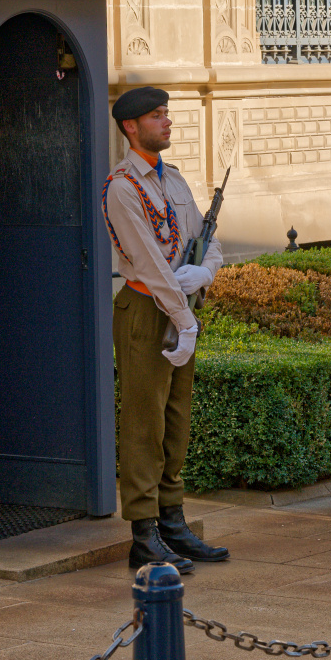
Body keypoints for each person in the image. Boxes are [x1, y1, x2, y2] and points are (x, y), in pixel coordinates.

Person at [102, 86, 230, 570]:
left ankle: (173, 523)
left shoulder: (173, 180)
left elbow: (206, 237)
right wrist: (184, 316)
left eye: (167, 114)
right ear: (130, 127)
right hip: (146, 312)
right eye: (157, 116)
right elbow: (150, 265)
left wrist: (205, 272)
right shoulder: (122, 187)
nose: (168, 122)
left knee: (176, 419)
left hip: (181, 307)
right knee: (144, 423)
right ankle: (143, 533)